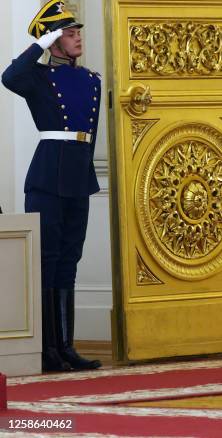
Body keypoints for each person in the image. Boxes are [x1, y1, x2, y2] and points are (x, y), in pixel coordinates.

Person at [2, 0, 102, 372]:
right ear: (54, 40)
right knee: (47, 260)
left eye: (77, 32)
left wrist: (86, 172)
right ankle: (46, 349)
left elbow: (90, 135)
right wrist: (41, 44)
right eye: (69, 34)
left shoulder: (92, 79)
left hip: (78, 174)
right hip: (48, 176)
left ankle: (66, 346)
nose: (77, 39)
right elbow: (9, 77)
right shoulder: (38, 77)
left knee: (69, 261)